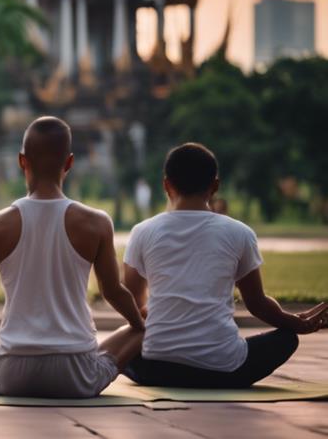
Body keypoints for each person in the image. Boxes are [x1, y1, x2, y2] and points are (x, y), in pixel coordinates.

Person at [0, 117, 145, 399]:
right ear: (69, 163)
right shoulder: (96, 223)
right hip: (76, 374)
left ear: (22, 161)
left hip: (13, 372)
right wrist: (141, 326)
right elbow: (114, 292)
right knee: (138, 330)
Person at [122, 143, 327, 389]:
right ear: (215, 186)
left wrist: (164, 312)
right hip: (224, 371)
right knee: (286, 339)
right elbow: (257, 304)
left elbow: (133, 304)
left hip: (154, 368)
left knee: (122, 342)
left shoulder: (142, 232)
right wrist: (295, 322)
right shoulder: (239, 233)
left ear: (166, 185)